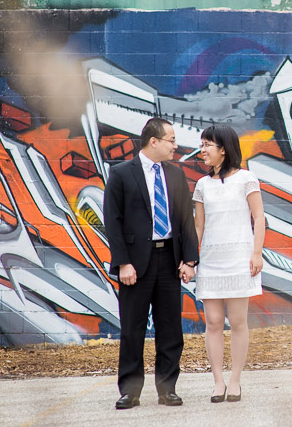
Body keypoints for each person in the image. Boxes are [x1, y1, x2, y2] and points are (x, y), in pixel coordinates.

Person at [104, 117, 199, 410]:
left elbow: (185, 219)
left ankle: (167, 389)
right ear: (153, 141)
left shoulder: (176, 174)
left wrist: (190, 259)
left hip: (169, 259)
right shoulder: (121, 173)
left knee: (170, 328)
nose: (176, 145)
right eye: (171, 139)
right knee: (132, 329)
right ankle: (130, 392)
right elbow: (113, 221)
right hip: (135, 264)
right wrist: (122, 263)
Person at [192, 124, 266, 403]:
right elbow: (198, 227)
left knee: (237, 322)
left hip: (239, 260)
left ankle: (235, 380)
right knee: (212, 323)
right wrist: (190, 260)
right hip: (210, 263)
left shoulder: (247, 179)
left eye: (208, 145)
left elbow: (259, 217)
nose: (203, 150)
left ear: (223, 149)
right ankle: (218, 382)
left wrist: (256, 253)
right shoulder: (202, 185)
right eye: (202, 145)